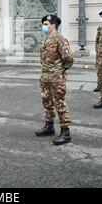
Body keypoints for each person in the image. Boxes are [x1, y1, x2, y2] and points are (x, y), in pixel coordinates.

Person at [34, 14, 74, 146]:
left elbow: (68, 59)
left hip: (56, 78)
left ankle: (65, 131)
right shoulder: (46, 39)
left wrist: (59, 70)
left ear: (53, 25)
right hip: (45, 76)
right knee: (47, 102)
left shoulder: (60, 39)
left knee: (59, 103)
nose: (43, 26)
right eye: (43, 24)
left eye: (46, 24)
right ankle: (49, 126)